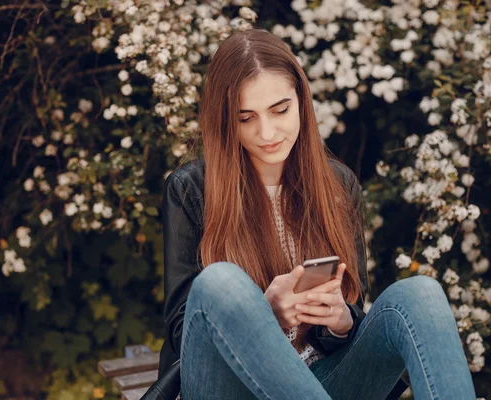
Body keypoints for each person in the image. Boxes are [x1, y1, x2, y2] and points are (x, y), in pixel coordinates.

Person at [141, 29, 476, 400]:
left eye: (280, 109)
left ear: (302, 100)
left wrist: (342, 322)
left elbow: (352, 303)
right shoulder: (191, 189)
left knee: (422, 294)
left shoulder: (338, 185)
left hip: (322, 382)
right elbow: (184, 331)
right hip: (229, 386)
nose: (266, 132)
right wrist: (263, 313)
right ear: (226, 121)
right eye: (246, 117)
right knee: (220, 283)